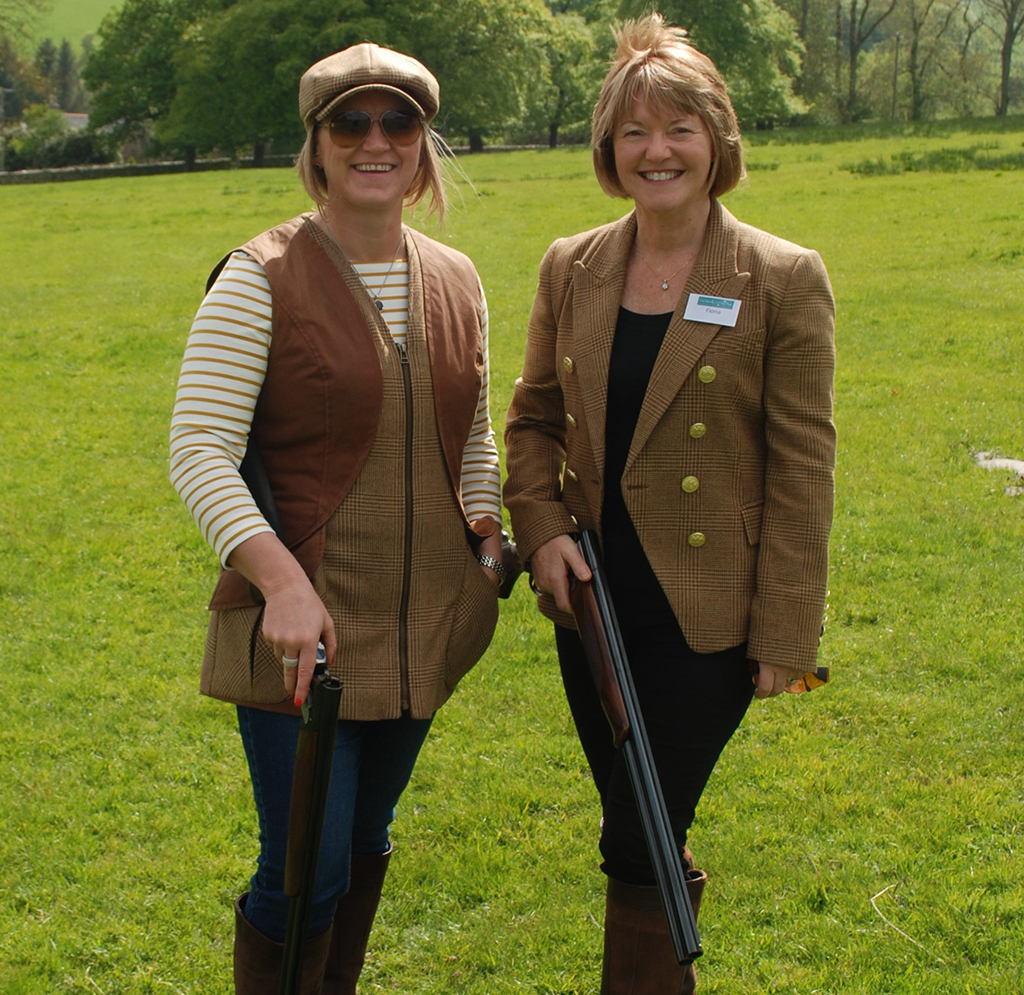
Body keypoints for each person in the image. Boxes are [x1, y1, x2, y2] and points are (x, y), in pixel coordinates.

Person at [503, 14, 836, 994]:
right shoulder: (572, 264)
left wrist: (786, 634)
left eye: (678, 128)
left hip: (709, 618)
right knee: (646, 824)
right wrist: (543, 534)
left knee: (632, 835)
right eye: (635, 132)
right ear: (610, 149)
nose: (658, 151)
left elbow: (801, 465)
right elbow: (531, 421)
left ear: (716, 139)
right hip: (595, 604)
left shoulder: (780, 276)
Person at [170, 43, 505, 994]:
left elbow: (471, 431)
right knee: (304, 871)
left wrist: (485, 543)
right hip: (298, 636)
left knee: (361, 843)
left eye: (397, 122)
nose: (375, 140)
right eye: (349, 122)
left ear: (423, 144)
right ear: (314, 147)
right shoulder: (258, 277)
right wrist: (280, 583)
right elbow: (197, 448)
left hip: (425, 624)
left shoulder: (457, 276)